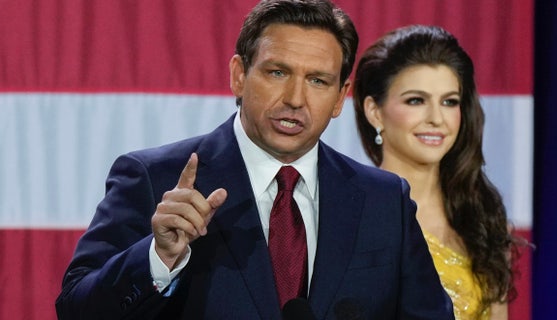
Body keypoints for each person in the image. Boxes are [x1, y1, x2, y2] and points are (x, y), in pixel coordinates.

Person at [55, 1, 454, 319]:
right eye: (278, 72)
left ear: (339, 97)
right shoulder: (154, 178)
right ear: (238, 75)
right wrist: (157, 257)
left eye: (318, 80)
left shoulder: (384, 199)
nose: (296, 99)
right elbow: (75, 309)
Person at [353, 25, 519, 320]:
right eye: (416, 100)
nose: (436, 118)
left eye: (449, 102)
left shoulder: (482, 220)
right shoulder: (352, 217)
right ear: (374, 111)